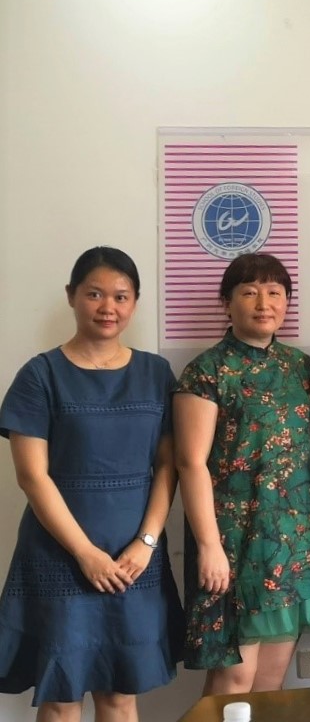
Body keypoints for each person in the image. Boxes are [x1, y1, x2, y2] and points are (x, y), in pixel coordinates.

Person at [0, 246, 183, 721]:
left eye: (121, 296)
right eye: (95, 294)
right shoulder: (40, 375)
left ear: (135, 302)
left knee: (121, 694)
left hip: (134, 559)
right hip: (60, 553)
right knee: (63, 696)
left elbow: (168, 466)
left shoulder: (155, 373)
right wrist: (84, 553)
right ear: (72, 296)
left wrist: (146, 542)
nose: (108, 307)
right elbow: (31, 475)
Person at [175, 253, 310, 696]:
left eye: (274, 292)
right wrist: (208, 546)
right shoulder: (207, 371)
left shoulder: (301, 368)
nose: (264, 303)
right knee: (234, 677)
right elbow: (190, 463)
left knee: (270, 680)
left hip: (292, 538)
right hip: (233, 540)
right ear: (227, 303)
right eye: (249, 292)